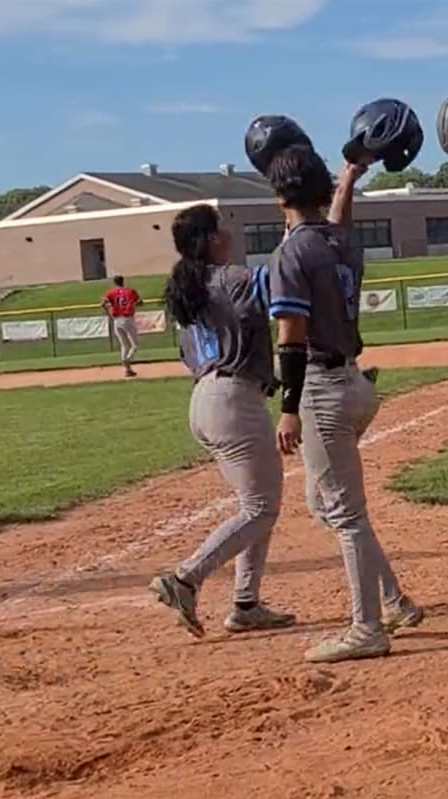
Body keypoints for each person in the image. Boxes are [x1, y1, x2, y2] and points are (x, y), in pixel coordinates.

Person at [264, 144, 424, 661]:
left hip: (319, 388)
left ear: (278, 194)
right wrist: (350, 178)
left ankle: (367, 627)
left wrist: (288, 407)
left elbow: (290, 336)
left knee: (345, 514)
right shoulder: (339, 243)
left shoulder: (289, 253)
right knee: (326, 505)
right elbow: (335, 226)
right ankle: (394, 599)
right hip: (355, 384)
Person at [147, 205, 296, 638]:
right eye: (222, 230)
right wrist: (292, 237)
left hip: (207, 399)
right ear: (211, 239)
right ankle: (185, 579)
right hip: (232, 399)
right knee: (261, 508)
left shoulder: (188, 288)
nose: (228, 235)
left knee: (258, 505)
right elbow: (273, 286)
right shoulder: (228, 278)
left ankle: (246, 603)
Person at [101, 275, 142, 377]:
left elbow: (103, 303)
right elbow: (140, 302)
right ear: (123, 281)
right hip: (128, 319)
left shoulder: (110, 292)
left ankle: (127, 370)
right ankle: (126, 361)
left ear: (114, 283)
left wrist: (109, 312)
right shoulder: (130, 291)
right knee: (135, 344)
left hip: (116, 320)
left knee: (125, 345)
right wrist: (134, 304)